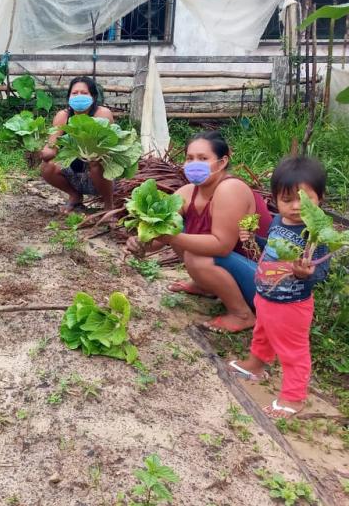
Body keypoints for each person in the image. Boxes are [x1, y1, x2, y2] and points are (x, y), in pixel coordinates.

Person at [125, 131, 272, 333]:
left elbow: (222, 246)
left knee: (195, 254)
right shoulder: (186, 193)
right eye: (189, 158)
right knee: (176, 229)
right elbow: (159, 234)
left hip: (267, 283)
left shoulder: (230, 189)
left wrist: (173, 237)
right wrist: (141, 242)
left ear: (221, 163)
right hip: (234, 268)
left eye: (203, 158)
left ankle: (242, 315)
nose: (195, 164)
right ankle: (206, 285)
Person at [228, 157, 329, 419]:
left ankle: (293, 398)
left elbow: (321, 273)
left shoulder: (316, 234)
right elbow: (272, 247)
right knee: (262, 333)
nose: (295, 207)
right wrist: (254, 239)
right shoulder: (277, 222)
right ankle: (255, 365)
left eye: (304, 199)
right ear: (275, 200)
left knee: (293, 350)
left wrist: (305, 274)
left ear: (321, 198)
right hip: (266, 296)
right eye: (287, 200)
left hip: (292, 305)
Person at [39, 76, 115, 212]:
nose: (79, 96)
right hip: (73, 171)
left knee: (96, 162)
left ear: (93, 96)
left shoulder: (102, 114)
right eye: (74, 93)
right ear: (69, 97)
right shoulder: (62, 116)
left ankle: (109, 206)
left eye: (84, 93)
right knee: (47, 166)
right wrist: (40, 151)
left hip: (101, 172)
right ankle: (75, 196)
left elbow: (106, 149)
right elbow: (52, 147)